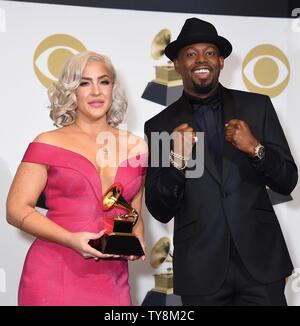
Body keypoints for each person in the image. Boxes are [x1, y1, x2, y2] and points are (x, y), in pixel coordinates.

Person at [144, 18, 298, 306]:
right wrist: (176, 158)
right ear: (177, 65)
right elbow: (159, 208)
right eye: (191, 54)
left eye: (210, 52)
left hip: (261, 265)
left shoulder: (257, 106)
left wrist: (256, 148)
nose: (202, 60)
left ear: (222, 61)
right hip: (201, 271)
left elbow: (288, 179)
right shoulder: (160, 125)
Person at [6, 51, 147, 306]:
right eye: (84, 82)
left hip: (111, 279)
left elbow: (134, 208)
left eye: (103, 81)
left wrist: (137, 238)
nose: (95, 91)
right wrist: (71, 239)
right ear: (72, 90)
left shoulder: (137, 147)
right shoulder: (47, 142)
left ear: (113, 88)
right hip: (54, 272)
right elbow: (16, 210)